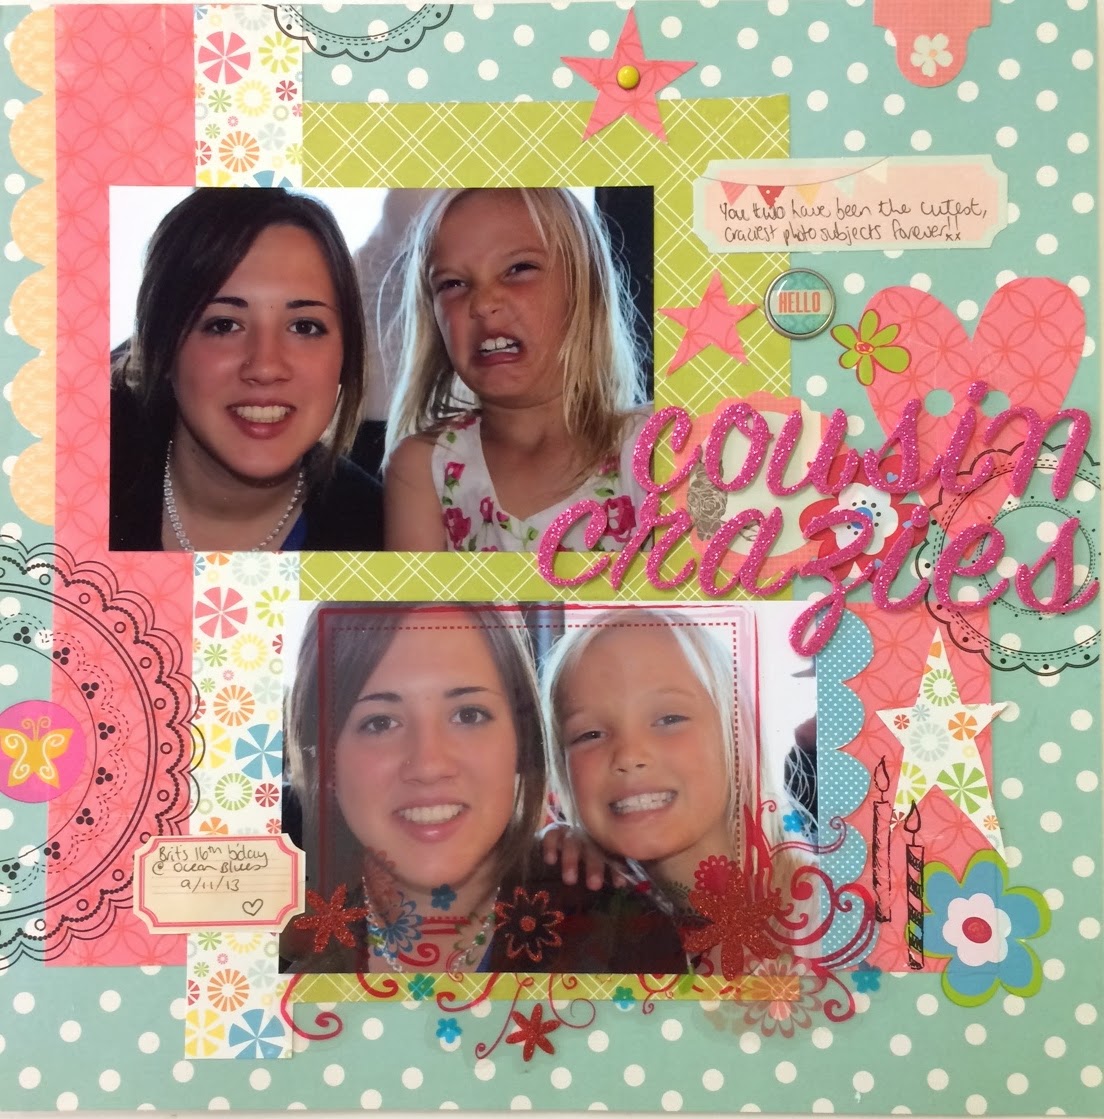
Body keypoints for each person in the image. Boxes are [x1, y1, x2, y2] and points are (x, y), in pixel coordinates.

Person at [280, 602, 685, 974]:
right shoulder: (273, 952)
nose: (429, 765)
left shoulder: (623, 940)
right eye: (380, 723)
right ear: (325, 758)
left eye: (468, 715)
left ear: (521, 741)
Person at [110, 188, 383, 552]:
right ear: (163, 346)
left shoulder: (387, 536)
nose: (266, 367)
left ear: (345, 355)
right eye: (224, 325)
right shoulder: (66, 469)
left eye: (304, 326)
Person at [383, 188, 648, 552]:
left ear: (584, 288)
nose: (483, 303)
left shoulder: (656, 447)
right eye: (453, 284)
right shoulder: (425, 470)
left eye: (519, 269)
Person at [542, 607, 799, 978]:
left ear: (738, 733)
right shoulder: (598, 931)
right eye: (589, 734)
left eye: (669, 719)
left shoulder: (839, 913)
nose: (629, 756)